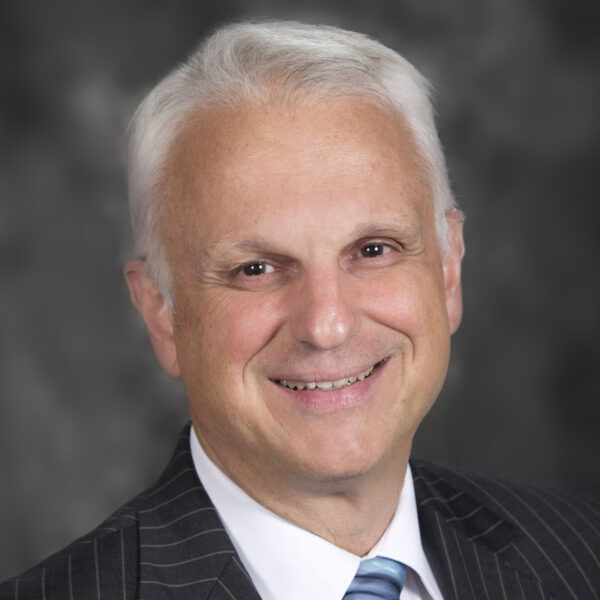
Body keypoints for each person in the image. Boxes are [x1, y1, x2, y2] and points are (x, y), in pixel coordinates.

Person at [2, 20, 598, 600]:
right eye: (256, 269)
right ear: (161, 312)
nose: (327, 325)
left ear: (447, 271)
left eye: (373, 250)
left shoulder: (581, 552)